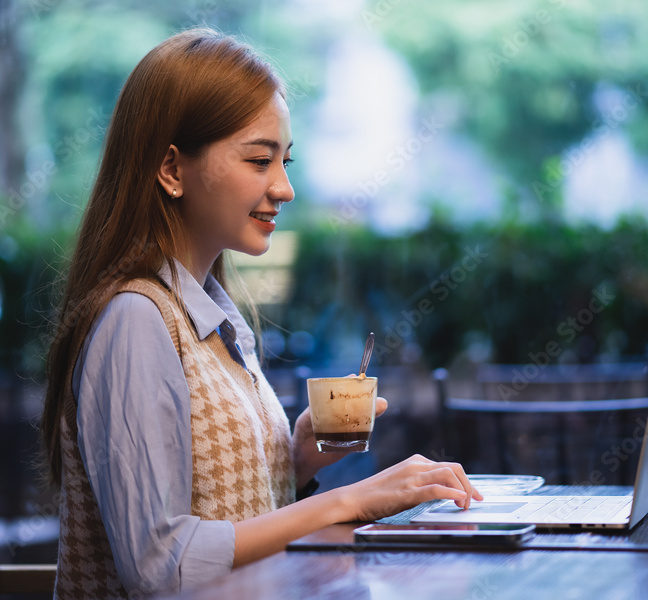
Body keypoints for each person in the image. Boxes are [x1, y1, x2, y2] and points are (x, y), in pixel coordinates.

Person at [40, 28, 481, 599]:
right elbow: (160, 566)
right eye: (259, 160)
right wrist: (346, 501)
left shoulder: (209, 317)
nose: (285, 187)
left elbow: (217, 505)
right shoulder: (136, 320)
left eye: (285, 161)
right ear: (171, 170)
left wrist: (295, 458)